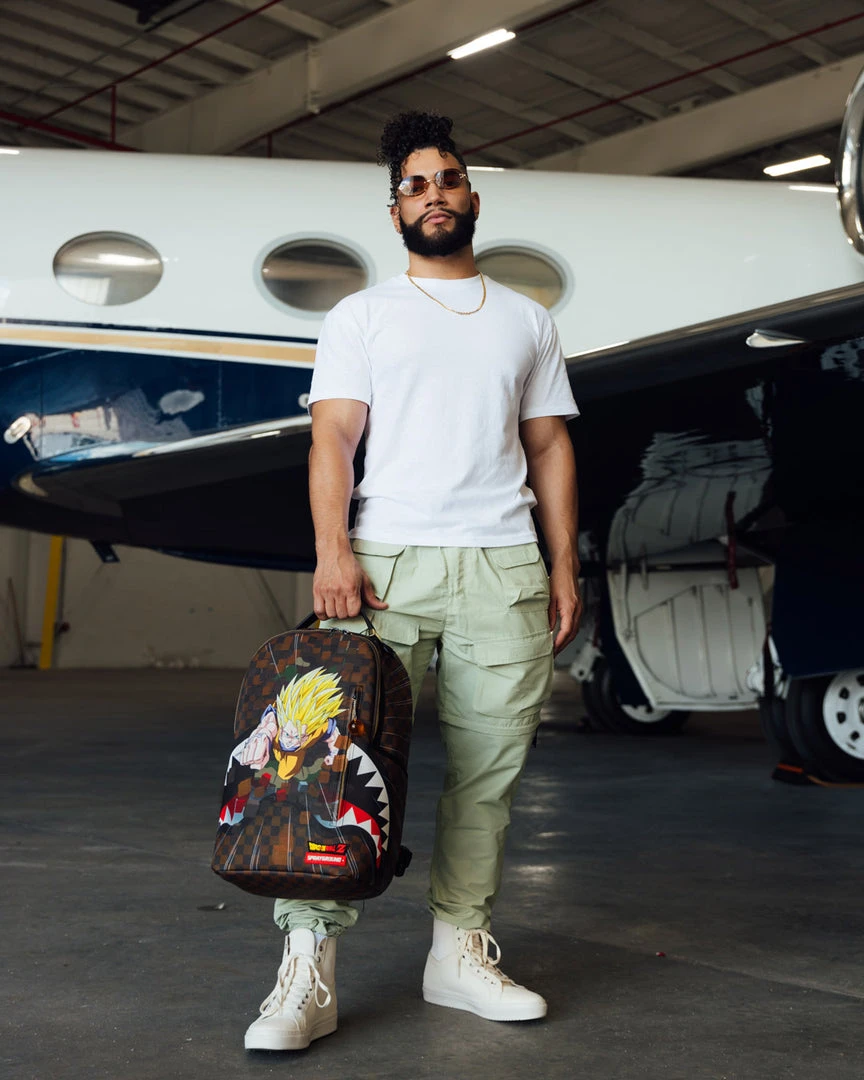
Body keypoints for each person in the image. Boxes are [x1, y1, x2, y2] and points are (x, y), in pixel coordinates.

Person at [244, 111, 582, 1052]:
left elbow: (550, 447)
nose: (435, 194)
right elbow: (333, 439)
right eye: (416, 184)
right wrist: (334, 551)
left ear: (473, 197)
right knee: (328, 766)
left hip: (504, 570)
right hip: (383, 568)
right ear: (395, 210)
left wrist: (563, 563)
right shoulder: (362, 315)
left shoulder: (527, 320)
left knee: (487, 778)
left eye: (449, 179)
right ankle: (306, 970)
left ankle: (456, 953)